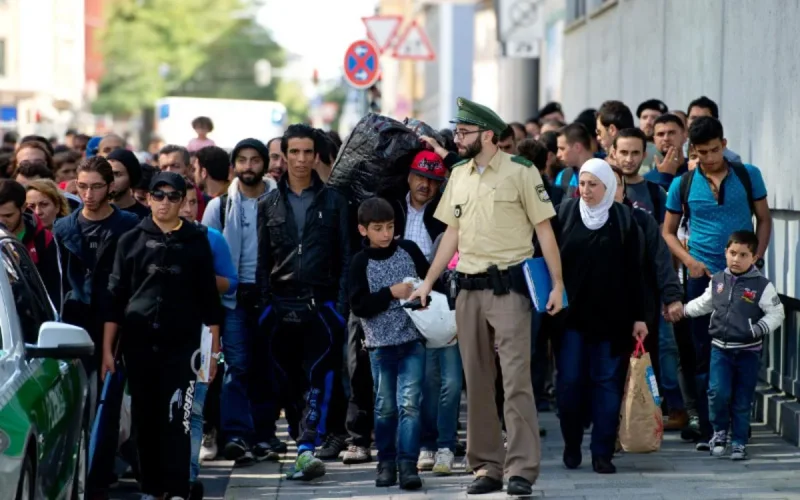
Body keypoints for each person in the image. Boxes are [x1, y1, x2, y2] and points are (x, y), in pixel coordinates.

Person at [409, 97, 564, 497]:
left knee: (516, 381)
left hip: (509, 289)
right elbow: (452, 234)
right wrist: (428, 282)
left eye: (464, 132)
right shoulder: (459, 175)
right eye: (457, 131)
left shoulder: (521, 171)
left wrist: (558, 285)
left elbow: (544, 230)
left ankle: (522, 469)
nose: (458, 139)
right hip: (467, 290)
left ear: (489, 135)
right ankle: (486, 467)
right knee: (476, 383)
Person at [104, 171, 224, 500]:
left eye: (173, 196)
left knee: (179, 417)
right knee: (144, 417)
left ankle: (179, 487)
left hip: (183, 345)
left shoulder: (196, 240)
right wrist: (107, 351)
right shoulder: (130, 240)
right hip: (139, 344)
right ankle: (151, 488)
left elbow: (210, 303)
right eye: (159, 195)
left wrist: (214, 354)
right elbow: (115, 300)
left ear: (183, 200)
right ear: (148, 198)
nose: (165, 202)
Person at [662, 116, 771, 448]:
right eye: (701, 152)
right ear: (692, 150)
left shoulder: (748, 175)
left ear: (724, 144)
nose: (709, 158)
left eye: (714, 150)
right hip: (702, 280)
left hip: (744, 281)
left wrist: (756, 258)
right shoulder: (682, 184)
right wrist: (690, 261)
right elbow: (667, 232)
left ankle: (738, 425)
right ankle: (710, 427)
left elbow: (764, 219)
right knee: (703, 353)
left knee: (743, 350)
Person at [256, 124, 351, 480]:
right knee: (287, 383)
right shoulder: (267, 204)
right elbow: (261, 262)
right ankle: (301, 443)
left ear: (316, 156)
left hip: (321, 305)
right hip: (279, 306)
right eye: (293, 152)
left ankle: (307, 446)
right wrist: (266, 307)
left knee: (318, 379)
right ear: (283, 156)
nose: (300, 159)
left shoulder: (335, 202)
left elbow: (346, 259)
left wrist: (339, 308)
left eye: (307, 152)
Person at [53, 156, 140, 498]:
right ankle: (76, 472)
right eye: (82, 187)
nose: (88, 195)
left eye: (96, 187)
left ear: (110, 186)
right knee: (75, 401)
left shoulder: (129, 225)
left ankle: (100, 476)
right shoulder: (64, 229)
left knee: (109, 401)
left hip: (117, 321)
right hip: (74, 321)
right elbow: (57, 282)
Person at [554, 159, 647, 474]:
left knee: (607, 383)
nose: (586, 190)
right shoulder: (565, 214)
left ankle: (602, 453)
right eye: (582, 183)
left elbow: (636, 272)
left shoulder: (623, 219)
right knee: (569, 383)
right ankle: (571, 442)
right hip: (570, 321)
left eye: (593, 184)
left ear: (608, 186)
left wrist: (639, 317)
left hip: (612, 320)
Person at [669, 230, 784, 460]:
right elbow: (704, 304)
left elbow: (777, 313)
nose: (736, 259)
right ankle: (719, 433)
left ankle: (739, 442)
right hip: (720, 350)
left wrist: (757, 329)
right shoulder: (718, 281)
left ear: (754, 258)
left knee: (742, 399)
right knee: (717, 392)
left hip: (748, 353)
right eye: (732, 253)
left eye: (743, 255)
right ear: (725, 253)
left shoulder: (762, 286)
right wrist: (683, 311)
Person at [203, 138, 283, 465]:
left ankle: (264, 434)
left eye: (255, 160)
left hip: (271, 296)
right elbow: (205, 255)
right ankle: (236, 435)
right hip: (233, 298)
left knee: (267, 367)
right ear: (233, 165)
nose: (248, 166)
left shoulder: (280, 201)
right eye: (242, 160)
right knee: (236, 367)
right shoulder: (219, 206)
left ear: (264, 164)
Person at [349, 197, 430, 490]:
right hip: (380, 346)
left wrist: (422, 297)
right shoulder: (360, 262)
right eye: (378, 228)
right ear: (363, 230)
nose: (386, 234)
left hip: (412, 341)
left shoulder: (409, 251)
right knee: (384, 406)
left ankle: (408, 464)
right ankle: (386, 462)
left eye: (390, 226)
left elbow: (431, 283)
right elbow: (359, 305)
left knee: (410, 404)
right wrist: (390, 293)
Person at [178, 180, 237, 495]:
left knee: (195, 407)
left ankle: (189, 476)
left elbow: (231, 282)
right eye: (181, 201)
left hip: (204, 333)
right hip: (162, 337)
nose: (187, 209)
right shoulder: (145, 238)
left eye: (192, 202)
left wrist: (201, 279)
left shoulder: (211, 238)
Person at [0, 179, 62, 309]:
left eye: (8, 215)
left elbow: (53, 292)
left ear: (23, 208)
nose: (1, 221)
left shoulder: (43, 239)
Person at [107, 148, 151, 219]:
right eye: (108, 173)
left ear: (131, 177)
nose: (111, 179)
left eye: (117, 174)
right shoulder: (96, 213)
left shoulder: (145, 217)